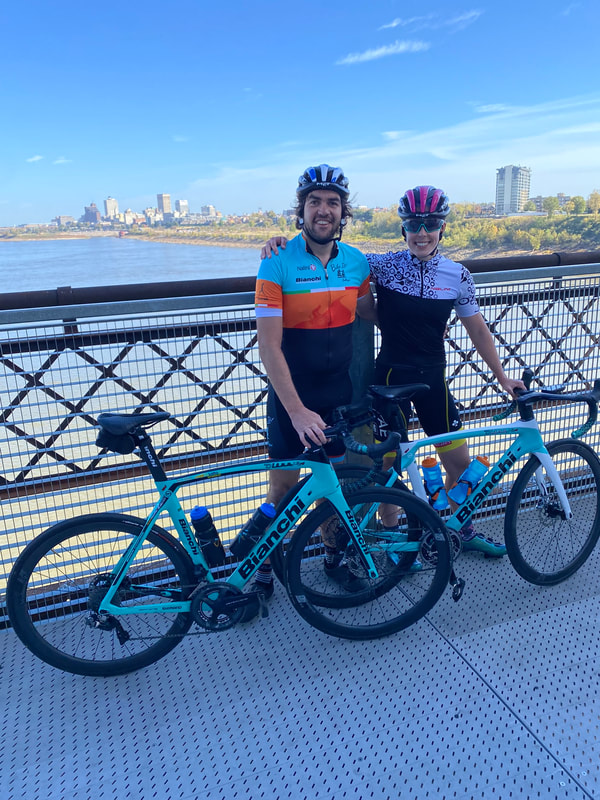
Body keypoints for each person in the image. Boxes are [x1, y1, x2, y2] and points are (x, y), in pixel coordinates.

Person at [261, 184, 525, 556]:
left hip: (432, 382)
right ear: (403, 229)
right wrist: (281, 243)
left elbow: (478, 330)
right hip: (389, 381)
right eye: (414, 224)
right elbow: (331, 253)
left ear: (442, 227)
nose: (422, 233)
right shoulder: (383, 266)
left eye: (430, 224)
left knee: (460, 463)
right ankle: (396, 542)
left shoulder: (458, 275)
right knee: (389, 470)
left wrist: (501, 376)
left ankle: (461, 530)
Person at [250, 164, 375, 605]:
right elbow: (269, 347)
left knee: (333, 487)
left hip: (337, 394)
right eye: (315, 202)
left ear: (344, 212)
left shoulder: (357, 262)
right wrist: (297, 410)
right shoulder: (276, 261)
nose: (324, 210)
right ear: (301, 209)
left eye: (333, 203)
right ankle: (262, 569)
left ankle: (333, 558)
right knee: (282, 489)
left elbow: (370, 312)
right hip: (292, 398)